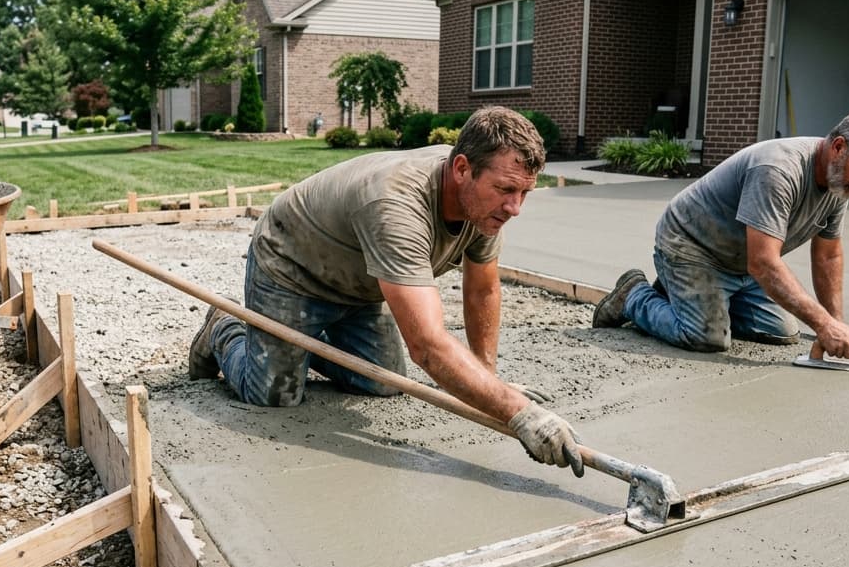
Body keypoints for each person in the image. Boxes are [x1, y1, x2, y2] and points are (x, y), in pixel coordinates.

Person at [188, 106, 585, 476]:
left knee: (386, 383)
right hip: (293, 267)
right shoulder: (396, 205)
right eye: (505, 190)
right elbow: (427, 346)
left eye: (524, 193)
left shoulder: (483, 205)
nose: (515, 207)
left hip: (360, 282)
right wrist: (521, 414)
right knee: (274, 395)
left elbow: (482, 290)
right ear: (462, 168)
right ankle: (225, 328)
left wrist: (487, 378)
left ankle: (297, 342)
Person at [592, 106, 849, 359]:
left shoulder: (840, 183)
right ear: (839, 147)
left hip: (739, 263)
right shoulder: (779, 170)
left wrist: (834, 323)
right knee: (707, 338)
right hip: (691, 245)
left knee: (783, 332)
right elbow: (764, 263)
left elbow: (828, 255)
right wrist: (823, 324)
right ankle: (635, 295)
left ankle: (692, 299)